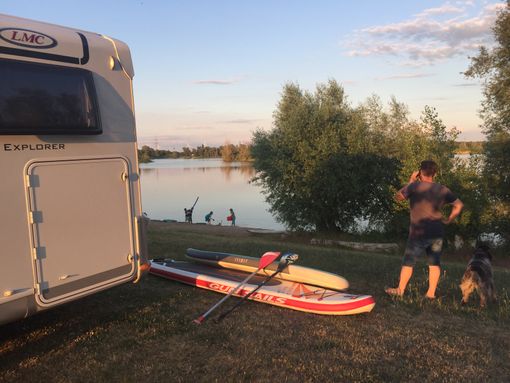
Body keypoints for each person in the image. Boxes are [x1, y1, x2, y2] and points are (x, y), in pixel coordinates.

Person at [386, 160, 464, 299]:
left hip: (418, 231)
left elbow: (398, 197)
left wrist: (410, 181)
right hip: (437, 231)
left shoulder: (414, 186)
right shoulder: (443, 189)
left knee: (408, 262)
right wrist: (449, 219)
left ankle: (400, 290)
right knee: (434, 263)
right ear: (435, 173)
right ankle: (431, 293)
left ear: (420, 172)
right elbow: (458, 205)